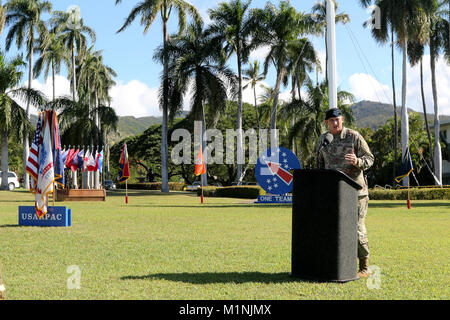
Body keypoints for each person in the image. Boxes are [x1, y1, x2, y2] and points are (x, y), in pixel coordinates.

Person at [317, 108, 375, 278]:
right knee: (332, 228)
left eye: (337, 120)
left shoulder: (354, 136)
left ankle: (364, 267)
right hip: (333, 192)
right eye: (331, 121)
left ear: (342, 120)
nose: (335, 123)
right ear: (327, 123)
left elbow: (370, 158)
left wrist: (357, 161)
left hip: (356, 193)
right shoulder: (323, 140)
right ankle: (335, 263)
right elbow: (320, 163)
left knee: (356, 229)